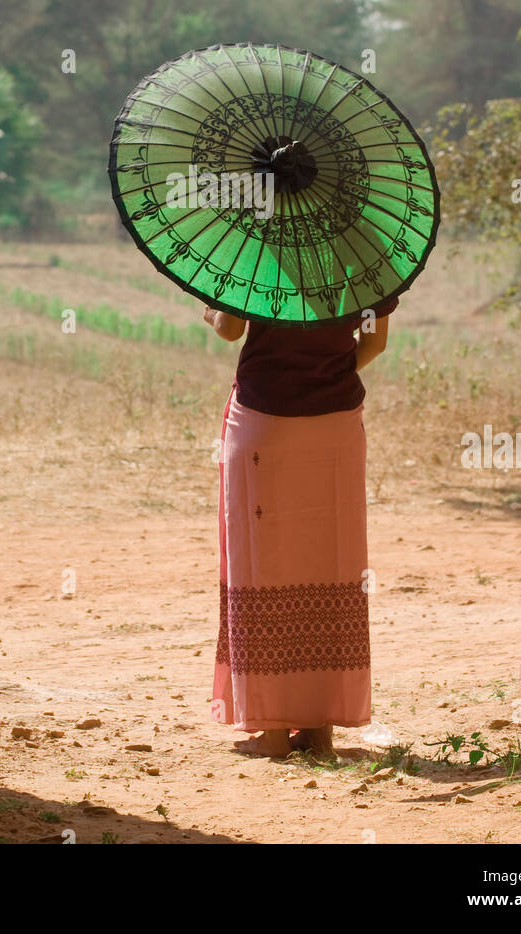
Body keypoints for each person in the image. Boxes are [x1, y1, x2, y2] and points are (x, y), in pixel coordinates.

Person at [204, 296, 397, 758]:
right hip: (334, 426)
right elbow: (375, 341)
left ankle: (269, 730)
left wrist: (213, 310)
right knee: (329, 563)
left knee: (260, 563)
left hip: (263, 418)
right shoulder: (362, 255)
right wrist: (324, 368)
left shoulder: (261, 250)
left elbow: (230, 330)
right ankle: (319, 728)